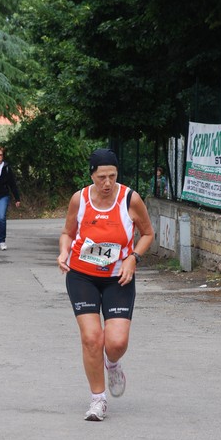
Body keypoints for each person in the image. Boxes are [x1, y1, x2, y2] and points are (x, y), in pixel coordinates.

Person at [57, 148, 154, 421]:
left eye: (112, 176)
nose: (107, 183)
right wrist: (64, 252)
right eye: (101, 177)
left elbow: (147, 233)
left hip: (118, 278)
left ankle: (112, 363)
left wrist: (133, 258)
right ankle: (98, 400)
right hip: (82, 275)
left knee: (116, 342)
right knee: (91, 339)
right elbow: (67, 232)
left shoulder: (130, 199)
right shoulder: (80, 199)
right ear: (92, 175)